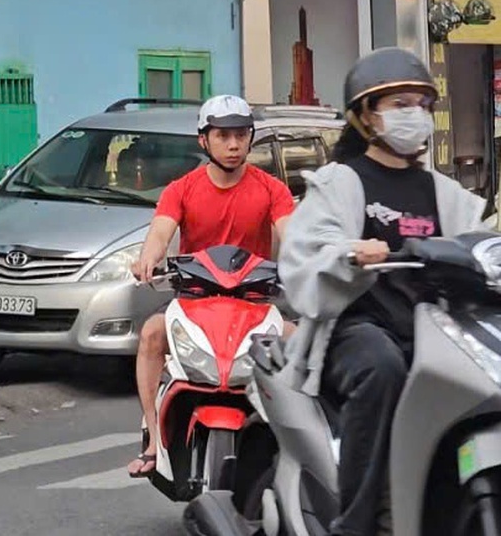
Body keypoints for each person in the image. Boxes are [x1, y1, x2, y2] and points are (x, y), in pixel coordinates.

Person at [279, 47, 487, 536]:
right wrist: (351, 252)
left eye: (420, 103)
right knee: (382, 369)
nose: (414, 114)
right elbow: (308, 248)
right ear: (368, 116)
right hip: (358, 326)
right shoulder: (339, 182)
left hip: (436, 330)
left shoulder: (445, 192)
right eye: (399, 104)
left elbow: (480, 239)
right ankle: (357, 524)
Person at [127, 94, 295, 478]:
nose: (233, 145)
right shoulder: (181, 189)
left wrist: (307, 257)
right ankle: (154, 439)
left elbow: (294, 233)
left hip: (255, 302)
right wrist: (148, 259)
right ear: (203, 140)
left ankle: (300, 445)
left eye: (241, 135)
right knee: (152, 334)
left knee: (300, 340)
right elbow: (160, 233)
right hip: (194, 300)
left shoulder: (272, 189)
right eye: (223, 135)